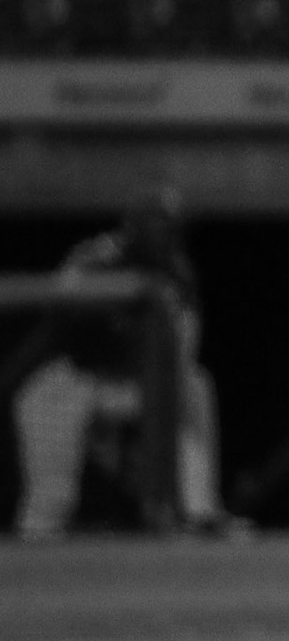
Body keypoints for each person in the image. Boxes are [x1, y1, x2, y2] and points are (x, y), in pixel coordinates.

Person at [12, 194, 225, 539]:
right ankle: (41, 525)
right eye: (152, 223)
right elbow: (56, 324)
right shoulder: (93, 259)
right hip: (83, 374)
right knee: (35, 398)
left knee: (195, 386)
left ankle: (198, 512)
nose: (160, 234)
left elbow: (185, 345)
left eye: (167, 226)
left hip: (139, 382)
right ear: (132, 226)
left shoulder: (177, 271)